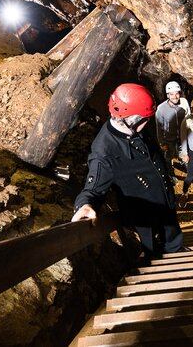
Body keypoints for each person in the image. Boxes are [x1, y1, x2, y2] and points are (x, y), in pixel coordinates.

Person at [71, 83, 185, 257]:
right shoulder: (105, 152)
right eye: (146, 118)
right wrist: (85, 205)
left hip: (164, 202)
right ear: (131, 119)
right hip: (143, 214)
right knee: (154, 253)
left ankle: (177, 250)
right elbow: (93, 188)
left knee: (172, 236)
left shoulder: (136, 127)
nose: (149, 121)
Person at [154, 81, 189, 172]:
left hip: (182, 138)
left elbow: (189, 118)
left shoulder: (184, 103)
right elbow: (159, 128)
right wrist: (162, 143)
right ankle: (170, 173)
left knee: (184, 155)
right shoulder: (161, 109)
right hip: (169, 139)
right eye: (171, 94)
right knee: (168, 158)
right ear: (168, 95)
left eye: (177, 93)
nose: (175, 96)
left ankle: (183, 165)